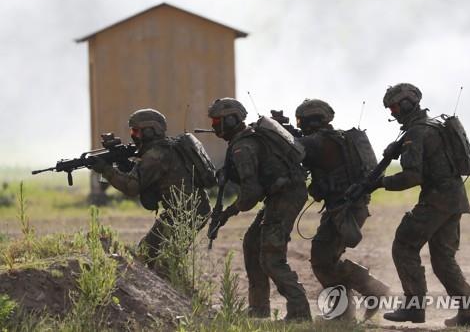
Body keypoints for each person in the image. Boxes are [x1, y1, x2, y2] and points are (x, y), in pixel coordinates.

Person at [370, 83, 470, 327]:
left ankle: (414, 307)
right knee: (443, 260)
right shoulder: (432, 125)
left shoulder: (417, 132)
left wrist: (381, 183)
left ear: (408, 104)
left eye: (395, 106)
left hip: (437, 200)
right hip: (453, 199)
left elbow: (412, 176)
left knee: (404, 244)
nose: (393, 112)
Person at [207, 97, 312, 321]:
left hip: (286, 195)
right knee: (252, 244)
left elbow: (251, 193)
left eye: (218, 120)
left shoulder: (242, 147)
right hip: (280, 195)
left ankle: (300, 311)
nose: (214, 125)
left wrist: (228, 212)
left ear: (232, 119)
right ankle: (258, 309)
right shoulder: (245, 139)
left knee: (271, 256)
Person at [294, 99, 389, 320]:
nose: (300, 126)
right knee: (327, 258)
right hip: (349, 208)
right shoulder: (337, 139)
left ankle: (372, 291)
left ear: (311, 120)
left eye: (302, 121)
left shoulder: (318, 142)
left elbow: (293, 149)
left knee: (322, 258)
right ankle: (345, 313)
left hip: (344, 210)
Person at [91, 108, 211, 268]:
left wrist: (106, 170)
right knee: (146, 252)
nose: (133, 135)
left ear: (150, 131)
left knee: (165, 263)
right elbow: (144, 175)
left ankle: (177, 290)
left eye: (136, 131)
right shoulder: (164, 148)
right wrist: (125, 165)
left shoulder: (156, 155)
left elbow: (131, 187)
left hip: (188, 213)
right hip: (182, 211)